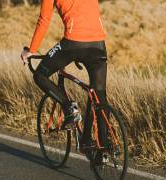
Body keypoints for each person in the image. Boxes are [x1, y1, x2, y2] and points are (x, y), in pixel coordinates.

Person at [21, 0, 108, 159]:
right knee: (99, 96)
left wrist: (31, 50)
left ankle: (69, 108)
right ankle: (102, 148)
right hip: (98, 43)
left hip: (73, 43)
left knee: (39, 75)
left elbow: (44, 19)